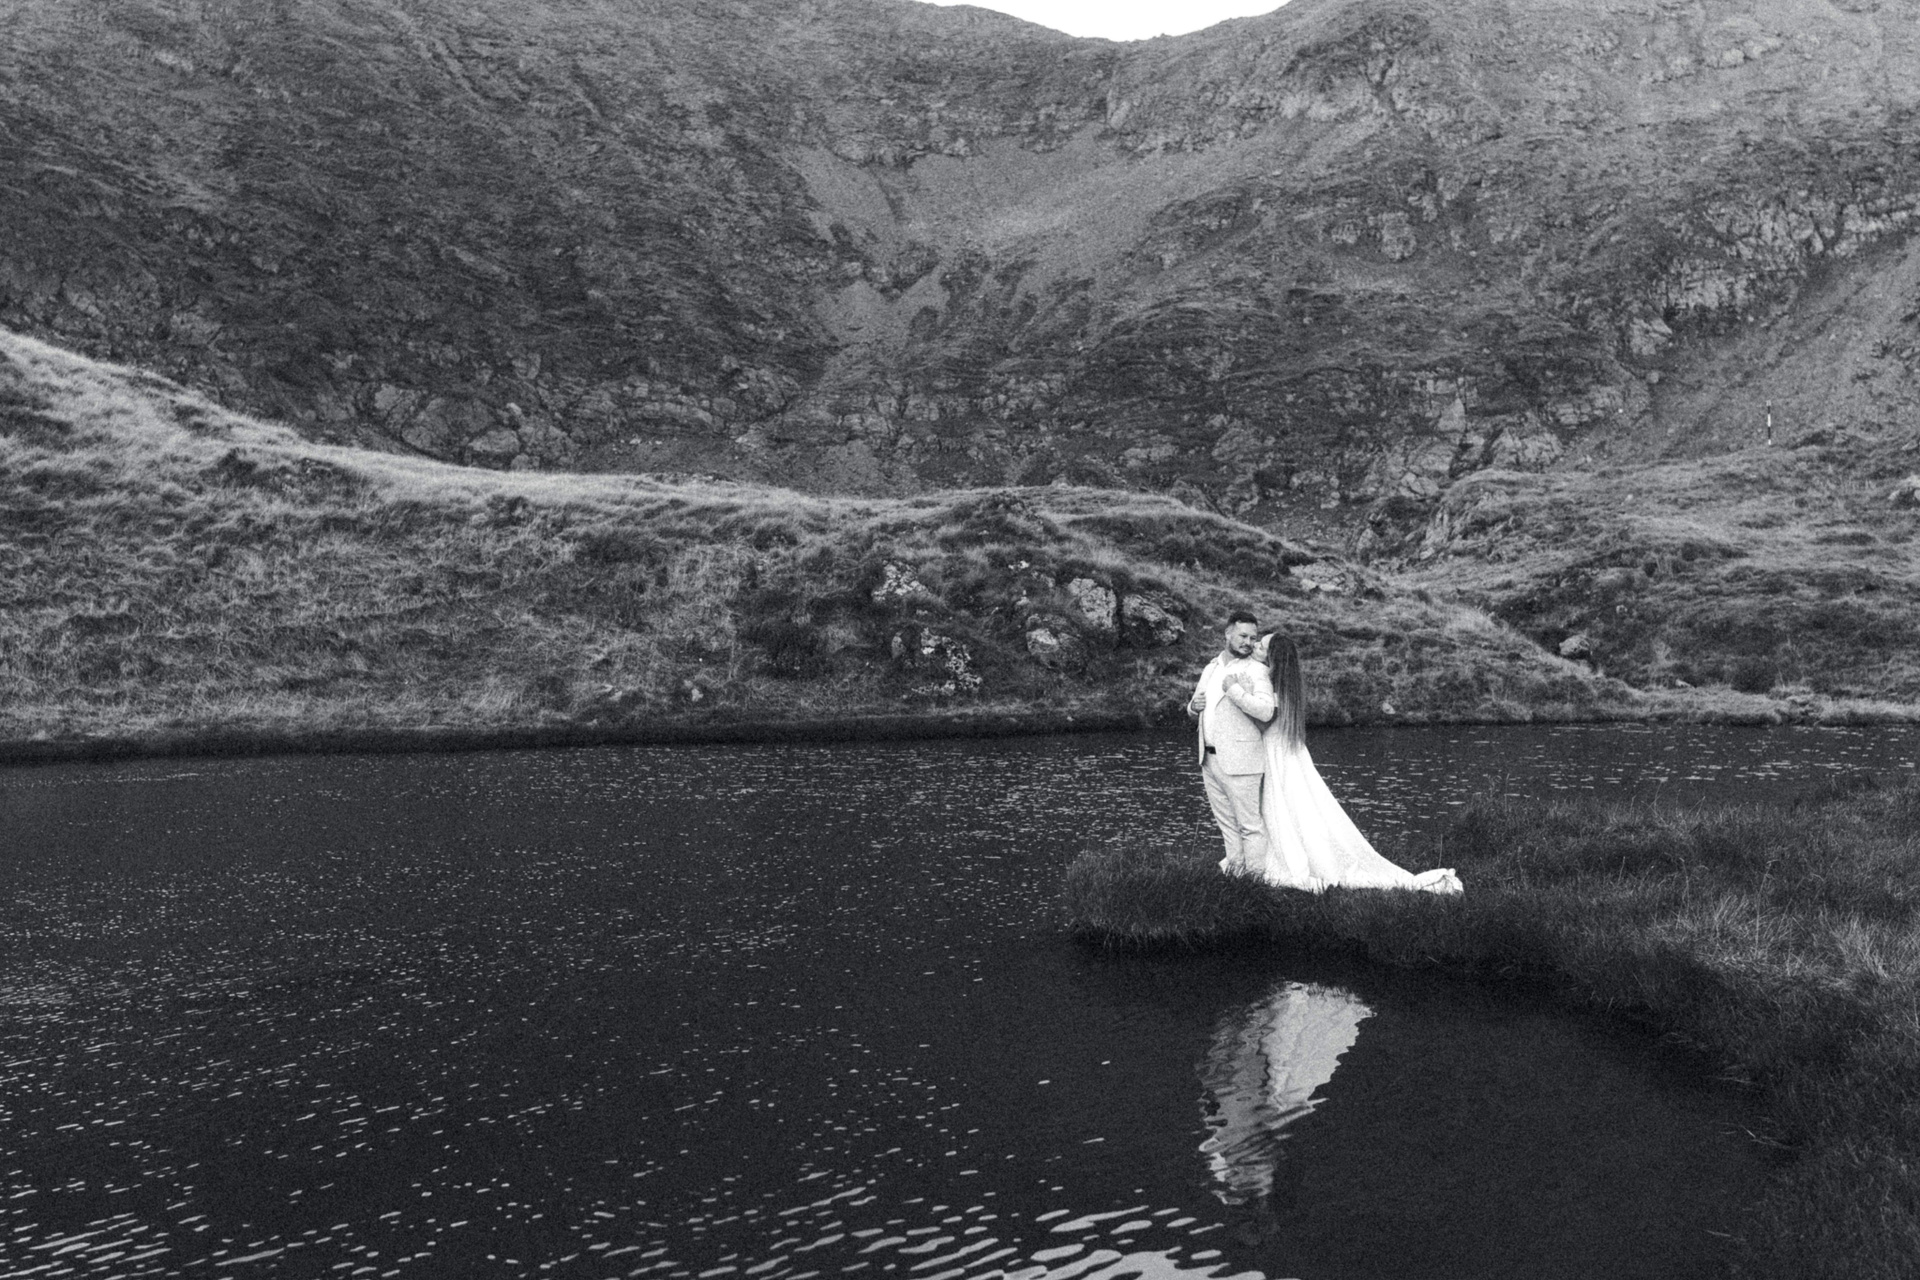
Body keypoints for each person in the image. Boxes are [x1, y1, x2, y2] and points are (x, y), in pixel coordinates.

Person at [1251, 633, 1463, 894]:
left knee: (1287, 809)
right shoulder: (1286, 689)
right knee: (1296, 809)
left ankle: (1288, 859)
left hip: (1278, 756)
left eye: (1261, 646)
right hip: (1287, 753)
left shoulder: (1270, 690)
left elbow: (1261, 722)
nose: (1254, 647)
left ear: (1273, 659)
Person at [1187, 611, 1277, 875]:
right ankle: (1236, 876)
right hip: (1209, 759)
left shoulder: (1258, 670)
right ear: (1227, 634)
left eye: (1253, 638)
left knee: (1250, 826)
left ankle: (1256, 881)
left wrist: (1235, 691)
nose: (1248, 642)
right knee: (1226, 825)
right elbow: (1195, 708)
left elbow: (1266, 712)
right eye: (1243, 636)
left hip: (1243, 760)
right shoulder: (1211, 668)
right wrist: (1192, 707)